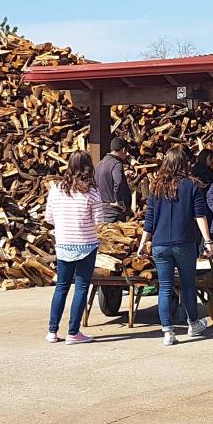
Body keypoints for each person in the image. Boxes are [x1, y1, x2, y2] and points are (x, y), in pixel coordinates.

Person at [136, 147, 213, 346]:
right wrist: (208, 240)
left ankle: (168, 332)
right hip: (184, 243)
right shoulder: (192, 186)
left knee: (165, 287)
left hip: (160, 244)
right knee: (188, 285)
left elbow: (149, 220)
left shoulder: (156, 187)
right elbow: (199, 215)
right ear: (184, 164)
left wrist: (143, 242)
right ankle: (193, 323)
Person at [44, 150, 106, 344]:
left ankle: (52, 331)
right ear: (88, 167)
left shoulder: (55, 190)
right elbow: (99, 221)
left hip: (63, 244)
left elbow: (49, 218)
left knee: (61, 287)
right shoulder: (92, 192)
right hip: (86, 245)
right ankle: (73, 332)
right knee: (81, 288)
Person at [95, 137, 132, 222]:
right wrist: (119, 201)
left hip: (102, 210)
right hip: (114, 213)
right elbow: (118, 182)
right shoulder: (117, 164)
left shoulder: (100, 164)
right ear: (123, 150)